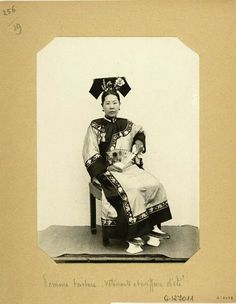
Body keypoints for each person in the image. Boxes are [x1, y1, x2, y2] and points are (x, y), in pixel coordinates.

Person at [83, 77, 172, 254]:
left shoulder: (127, 123)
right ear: (102, 106)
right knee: (129, 191)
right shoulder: (95, 126)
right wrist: (105, 168)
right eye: (107, 103)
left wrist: (139, 143)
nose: (111, 106)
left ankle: (150, 227)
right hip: (106, 170)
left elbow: (139, 132)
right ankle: (132, 235)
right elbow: (90, 152)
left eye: (115, 102)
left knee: (154, 184)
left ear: (119, 104)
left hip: (128, 167)